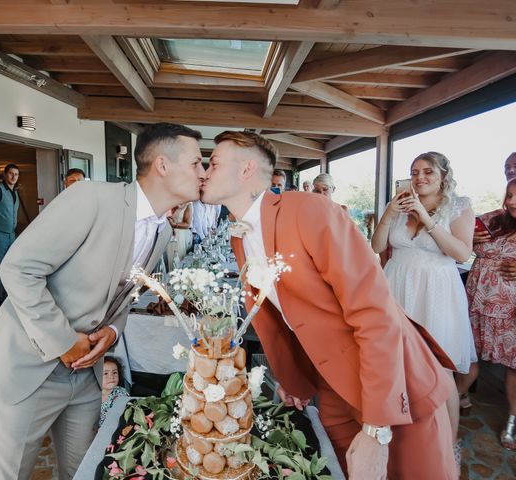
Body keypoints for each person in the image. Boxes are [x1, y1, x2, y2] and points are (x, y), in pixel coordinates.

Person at [201, 131, 457, 479]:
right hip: (333, 386)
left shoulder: (308, 209)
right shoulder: (239, 235)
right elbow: (278, 318)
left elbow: (374, 312)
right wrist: (294, 380)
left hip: (394, 384)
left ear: (246, 170)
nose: (205, 172)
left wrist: (378, 427)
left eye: (213, 164)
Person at [0, 123, 205, 480]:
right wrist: (64, 341)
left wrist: (113, 332)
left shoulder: (161, 229)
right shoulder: (90, 198)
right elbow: (18, 269)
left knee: (82, 470)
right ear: (162, 165)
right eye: (196, 163)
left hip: (86, 375)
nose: (203, 173)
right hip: (29, 365)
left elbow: (123, 299)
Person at [371, 152, 475, 460]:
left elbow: (461, 253)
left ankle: (449, 445)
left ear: (443, 175)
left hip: (436, 293)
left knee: (440, 372)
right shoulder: (400, 206)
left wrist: (426, 219)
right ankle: (403, 437)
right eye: (414, 171)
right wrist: (390, 213)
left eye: (428, 171)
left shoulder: (459, 206)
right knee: (397, 367)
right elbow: (377, 247)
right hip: (397, 287)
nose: (420, 177)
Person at [457, 179, 516, 450]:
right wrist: (468, 238)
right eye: (510, 195)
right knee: (468, 353)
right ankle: (459, 396)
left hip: (510, 307)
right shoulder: (491, 219)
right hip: (476, 299)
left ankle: (512, 421)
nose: (512, 201)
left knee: (513, 365)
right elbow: (457, 246)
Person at [0, 163, 20, 303]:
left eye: (16, 174)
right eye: (11, 173)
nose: (14, 176)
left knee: (10, 267)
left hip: (12, 235)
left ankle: (8, 297)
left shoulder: (15, 193)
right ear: (5, 175)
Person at [98, 356, 129, 428]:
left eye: (114, 372)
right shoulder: (91, 395)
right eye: (105, 373)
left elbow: (126, 415)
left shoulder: (122, 393)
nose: (112, 376)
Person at [166, 201, 193, 270]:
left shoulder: (188, 203)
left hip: (180, 235)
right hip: (168, 234)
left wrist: (175, 225)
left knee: (178, 259)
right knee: (168, 261)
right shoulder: (170, 200)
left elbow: (187, 224)